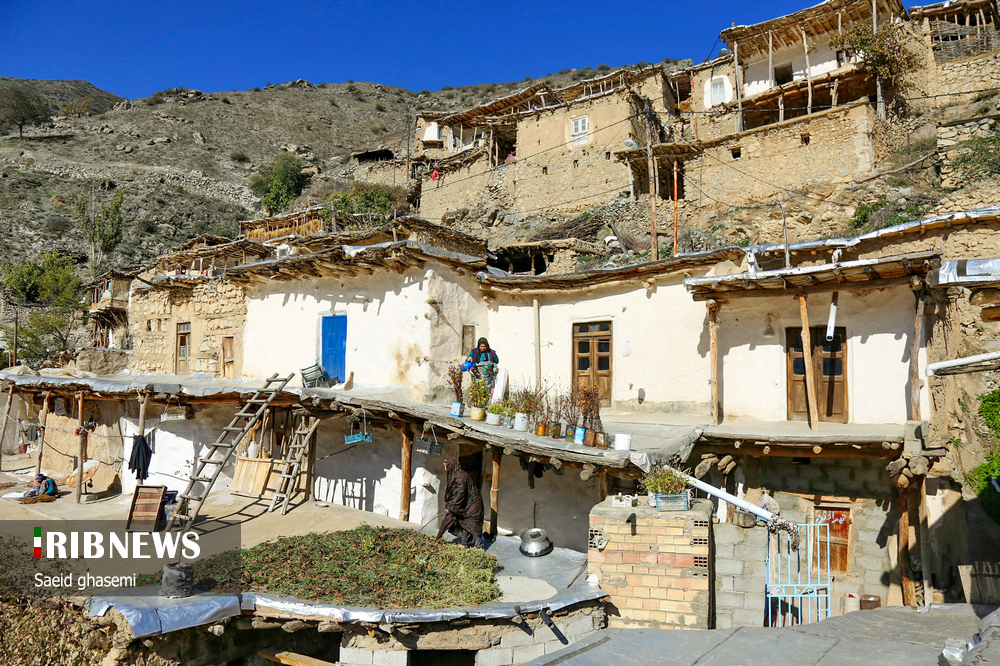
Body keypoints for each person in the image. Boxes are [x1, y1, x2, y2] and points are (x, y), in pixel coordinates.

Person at [436, 457, 484, 548]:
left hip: (473, 504)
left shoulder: (460, 476)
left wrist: (451, 505)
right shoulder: (454, 474)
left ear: (452, 465)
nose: (445, 469)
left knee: (473, 524)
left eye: (447, 466)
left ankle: (479, 546)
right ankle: (464, 543)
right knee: (463, 522)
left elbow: (460, 492)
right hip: (466, 503)